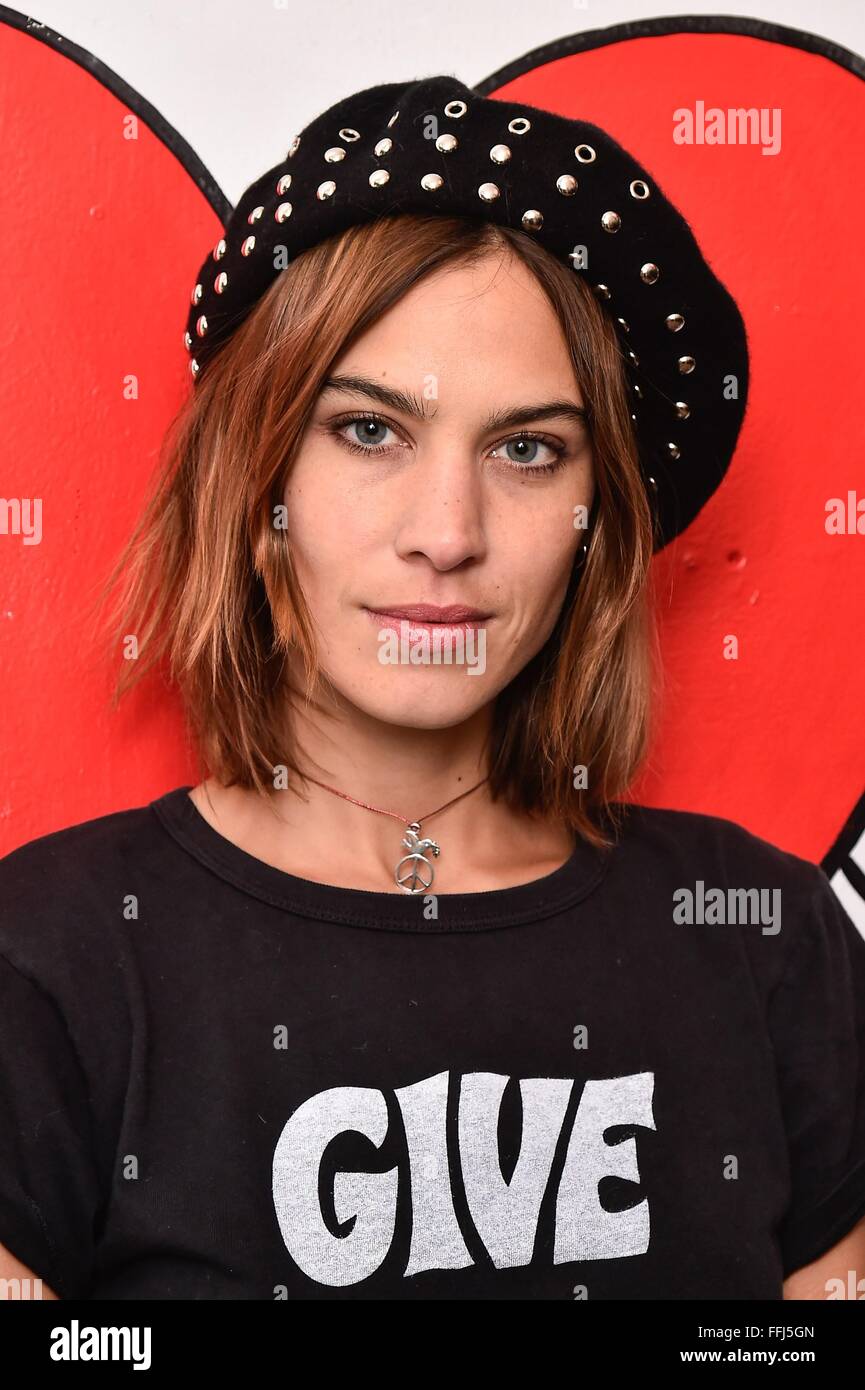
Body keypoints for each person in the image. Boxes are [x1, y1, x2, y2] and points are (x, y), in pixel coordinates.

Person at [1, 75, 863, 1301]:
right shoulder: (48, 962)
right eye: (369, 431)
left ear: (592, 526)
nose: (447, 533)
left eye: (528, 450)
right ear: (254, 495)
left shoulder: (764, 937)